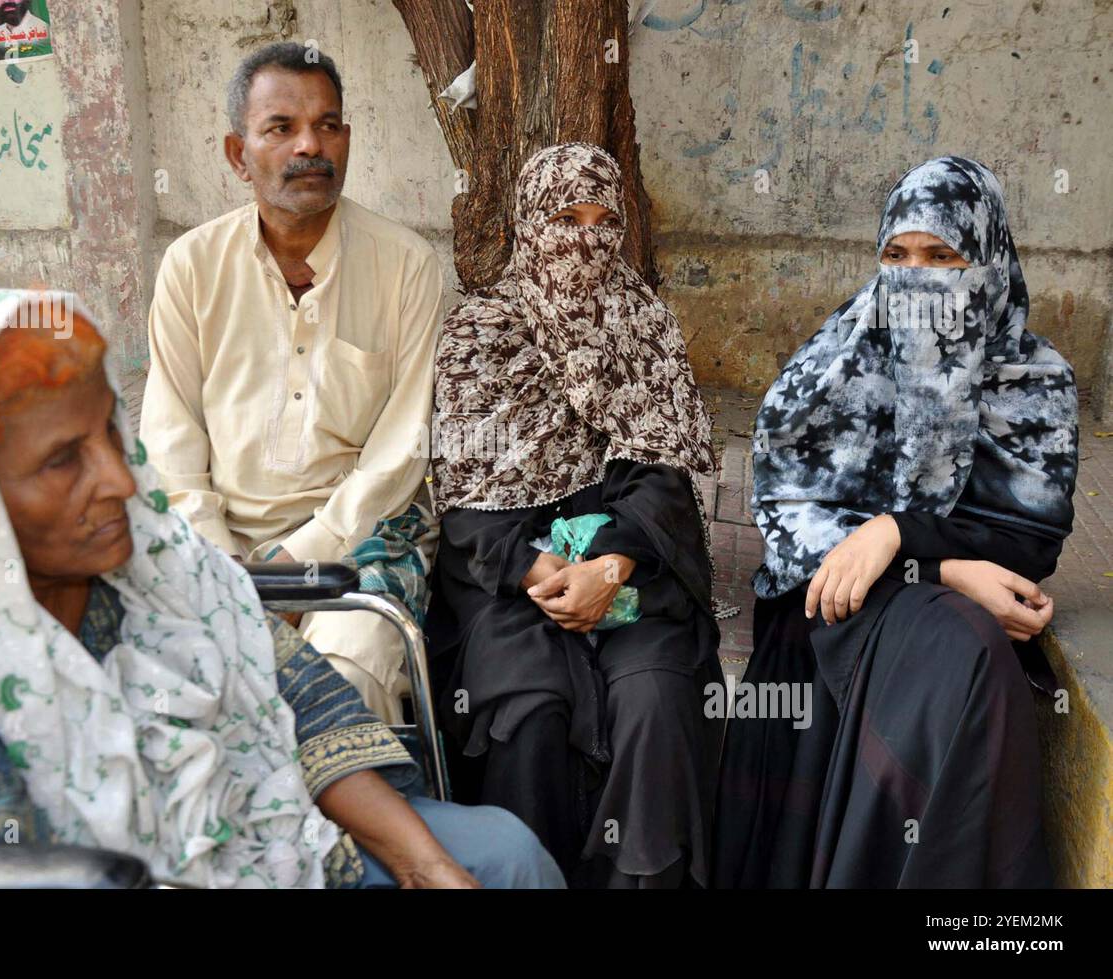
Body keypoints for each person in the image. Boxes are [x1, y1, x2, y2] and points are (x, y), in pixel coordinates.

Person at [0, 289, 564, 890]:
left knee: (504, 854)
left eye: (109, 431)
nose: (118, 479)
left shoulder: (153, 559)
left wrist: (422, 864)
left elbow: (296, 697)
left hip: (266, 838)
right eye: (61, 461)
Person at [714, 156, 1079, 888]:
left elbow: (1029, 542)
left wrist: (897, 533)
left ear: (989, 259)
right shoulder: (832, 365)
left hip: (926, 606)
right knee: (968, 648)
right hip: (828, 611)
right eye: (897, 255)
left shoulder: (1036, 381)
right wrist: (935, 560)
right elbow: (795, 534)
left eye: (942, 256)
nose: (916, 277)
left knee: (965, 652)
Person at [427, 142, 726, 888]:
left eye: (604, 221)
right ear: (529, 223)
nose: (585, 239)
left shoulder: (643, 324)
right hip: (511, 576)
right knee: (528, 712)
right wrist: (538, 565)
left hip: (631, 569)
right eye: (565, 216)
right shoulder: (481, 334)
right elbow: (461, 502)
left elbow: (666, 482)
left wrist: (610, 564)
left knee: (655, 698)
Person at [141, 42, 444, 725]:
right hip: (222, 541)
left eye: (328, 124)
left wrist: (300, 557)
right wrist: (224, 566)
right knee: (181, 685)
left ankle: (358, 830)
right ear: (236, 153)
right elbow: (169, 439)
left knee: (343, 677)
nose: (311, 145)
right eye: (281, 128)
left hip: (363, 539)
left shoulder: (407, 265)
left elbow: (403, 449)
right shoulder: (191, 266)